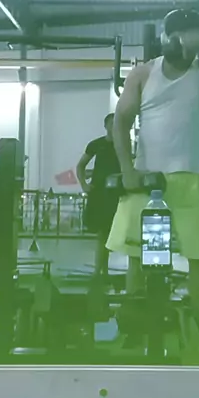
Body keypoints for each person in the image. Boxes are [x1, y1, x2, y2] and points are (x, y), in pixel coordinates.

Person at [107, 9, 199, 308]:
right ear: (166, 39)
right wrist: (127, 170)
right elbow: (120, 122)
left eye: (192, 41)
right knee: (139, 257)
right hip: (147, 180)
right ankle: (136, 323)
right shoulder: (143, 74)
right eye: (179, 39)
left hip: (193, 180)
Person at [76, 113, 120, 280]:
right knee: (102, 234)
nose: (114, 126)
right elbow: (81, 166)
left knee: (109, 233)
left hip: (117, 193)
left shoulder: (124, 145)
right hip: (100, 194)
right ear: (106, 126)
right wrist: (84, 185)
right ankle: (99, 271)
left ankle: (103, 271)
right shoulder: (96, 145)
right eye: (111, 123)